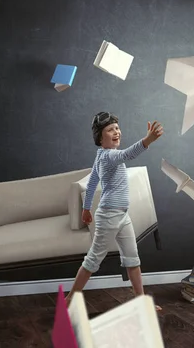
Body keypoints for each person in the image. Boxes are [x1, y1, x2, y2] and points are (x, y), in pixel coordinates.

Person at [65, 112, 164, 311]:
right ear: (100, 138)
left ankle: (140, 301)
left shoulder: (101, 157)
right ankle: (69, 300)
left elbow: (92, 183)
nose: (116, 132)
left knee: (132, 257)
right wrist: (147, 140)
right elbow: (127, 154)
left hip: (122, 216)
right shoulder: (109, 156)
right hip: (109, 216)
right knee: (93, 260)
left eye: (117, 128)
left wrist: (86, 209)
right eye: (110, 130)